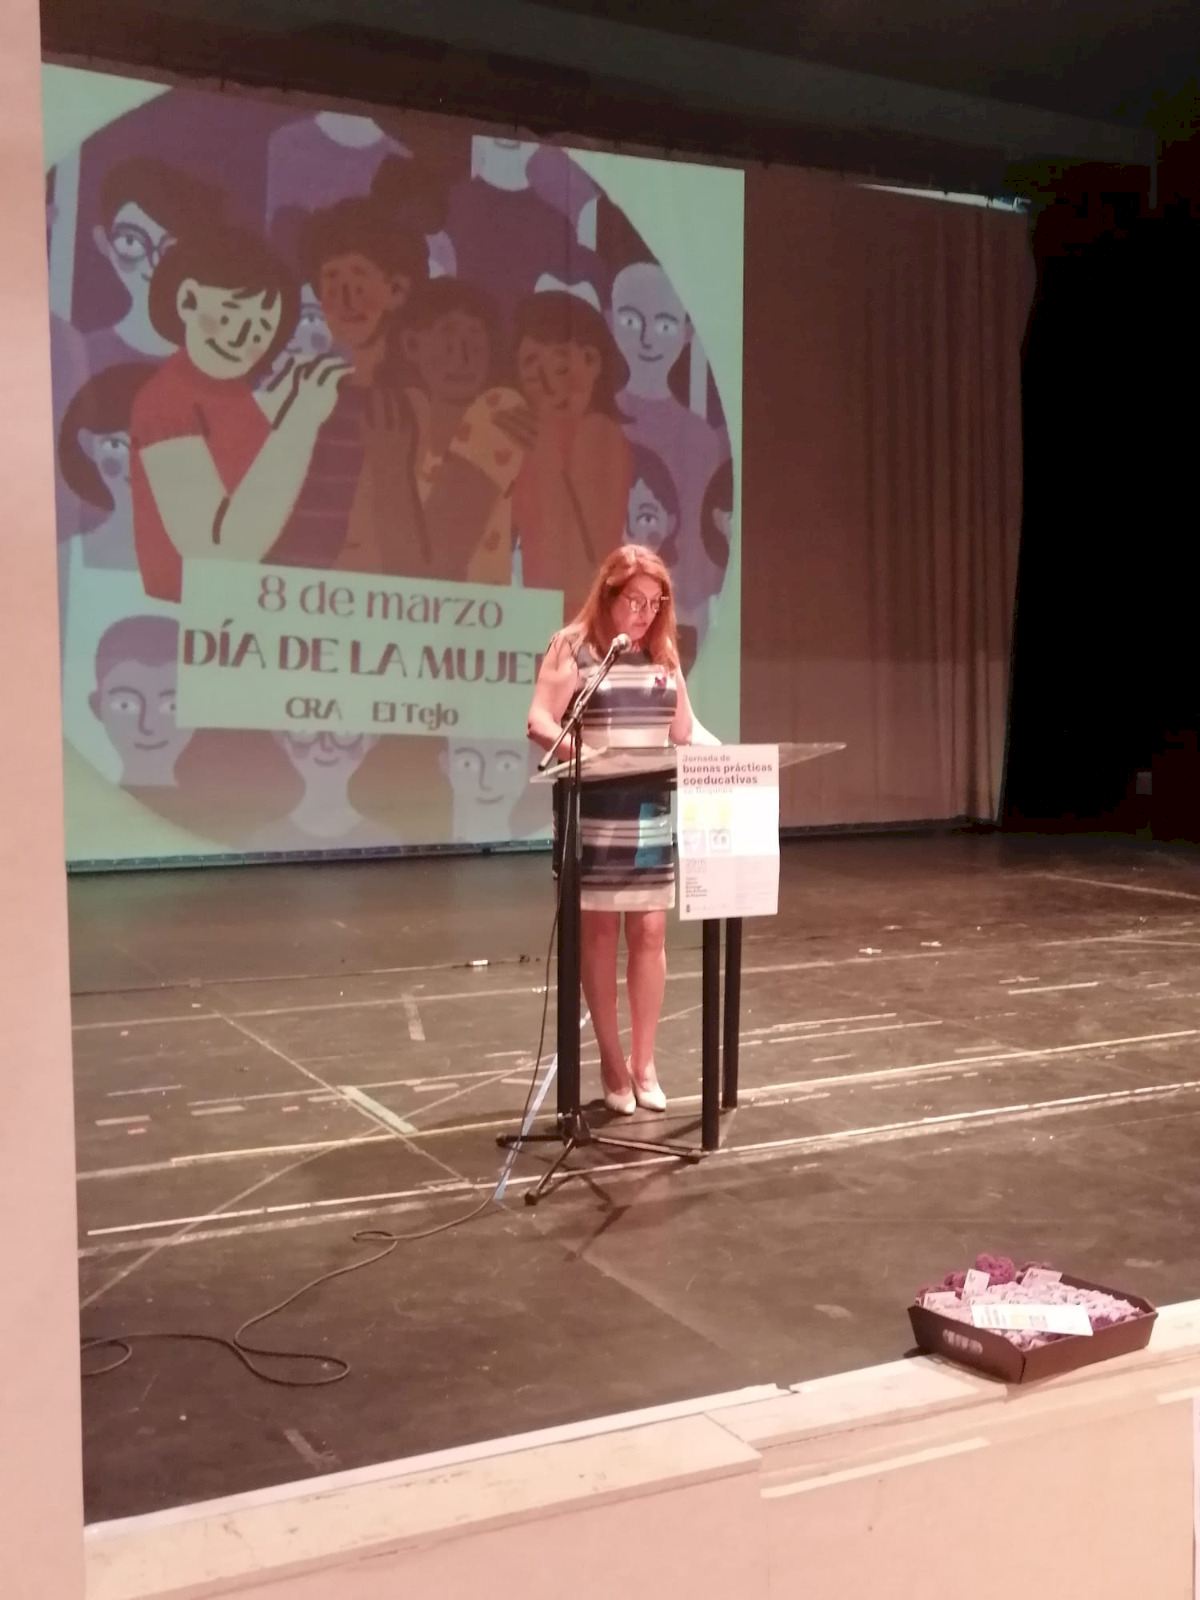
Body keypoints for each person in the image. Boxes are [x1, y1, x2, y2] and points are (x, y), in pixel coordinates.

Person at [525, 544, 717, 1115]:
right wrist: (585, 755)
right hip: (596, 815)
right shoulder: (574, 646)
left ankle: (644, 1062)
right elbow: (539, 720)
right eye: (635, 601)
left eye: (656, 603)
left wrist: (733, 760)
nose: (645, 613)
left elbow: (684, 729)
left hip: (649, 816)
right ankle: (611, 1061)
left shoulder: (663, 652)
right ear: (608, 595)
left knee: (651, 933)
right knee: (601, 935)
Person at [129, 224, 349, 602]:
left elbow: (242, 448)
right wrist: (301, 418)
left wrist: (289, 397)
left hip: (246, 603)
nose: (241, 339)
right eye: (230, 315)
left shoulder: (228, 386)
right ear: (188, 300)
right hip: (190, 609)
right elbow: (218, 551)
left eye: (262, 329)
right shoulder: (164, 401)